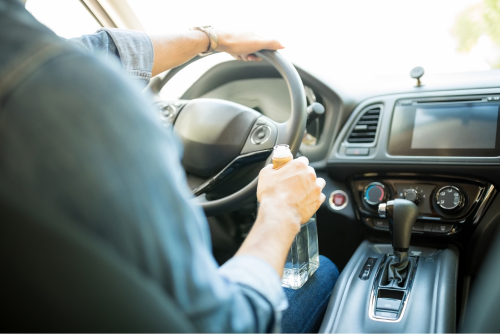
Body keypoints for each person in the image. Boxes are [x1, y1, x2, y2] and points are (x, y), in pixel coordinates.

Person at [0, 0, 339, 332]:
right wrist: (282, 212)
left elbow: (100, 50)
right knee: (321, 271)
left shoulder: (35, 67)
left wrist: (211, 38)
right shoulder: (82, 95)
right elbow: (222, 324)